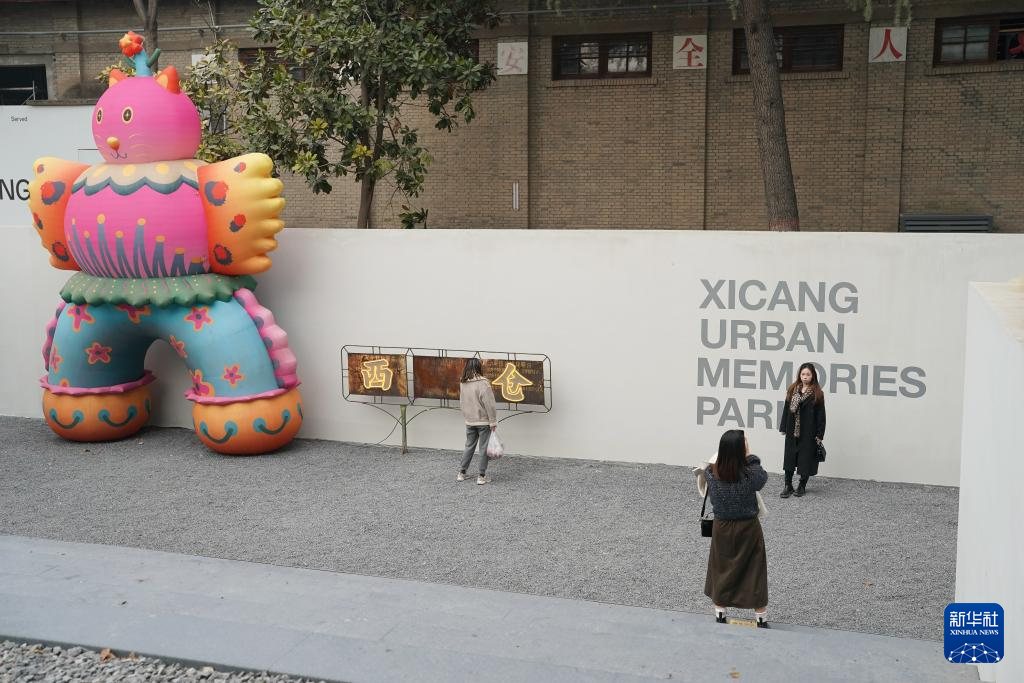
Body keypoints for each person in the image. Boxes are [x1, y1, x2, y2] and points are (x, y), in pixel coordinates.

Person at [703, 429, 769, 628]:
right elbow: (762, 476)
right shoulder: (751, 474)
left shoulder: (711, 474)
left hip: (722, 527)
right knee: (755, 570)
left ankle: (720, 611)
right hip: (748, 527)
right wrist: (749, 456)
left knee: (721, 568)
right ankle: (760, 617)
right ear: (741, 450)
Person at [778, 362, 827, 498]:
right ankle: (788, 485)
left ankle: (802, 485)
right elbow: (786, 409)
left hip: (809, 431)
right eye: (803, 374)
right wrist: (783, 427)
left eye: (808, 374)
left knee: (806, 458)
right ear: (799, 375)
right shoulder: (792, 389)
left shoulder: (817, 393)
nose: (805, 377)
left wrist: (820, 434)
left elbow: (821, 415)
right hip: (792, 429)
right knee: (789, 458)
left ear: (813, 376)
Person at [458, 358, 497, 485]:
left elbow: (462, 402)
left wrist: (467, 417)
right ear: (479, 367)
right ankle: (481, 476)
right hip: (483, 421)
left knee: (469, 446)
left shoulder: (463, 382)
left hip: (470, 421)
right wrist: (493, 421)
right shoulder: (483, 383)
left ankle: (462, 473)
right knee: (483, 448)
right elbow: (489, 404)